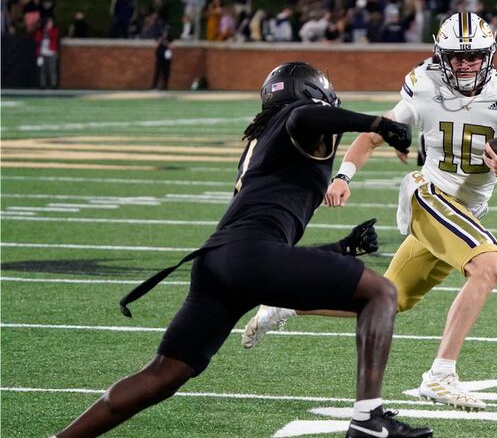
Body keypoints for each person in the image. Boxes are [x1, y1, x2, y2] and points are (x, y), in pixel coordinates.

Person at [50, 62, 433, 438]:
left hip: (221, 260)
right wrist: (377, 124)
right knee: (382, 292)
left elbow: (269, 243)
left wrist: (340, 248)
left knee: (163, 373)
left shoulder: (265, 138)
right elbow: (303, 117)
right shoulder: (299, 118)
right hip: (250, 256)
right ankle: (368, 419)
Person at [242, 12, 497, 411]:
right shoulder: (425, 85)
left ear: (489, 56)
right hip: (427, 194)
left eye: (473, 56)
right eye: (457, 56)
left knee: (388, 297)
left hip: (464, 211)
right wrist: (343, 176)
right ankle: (441, 375)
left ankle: (285, 302)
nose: (465, 65)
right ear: (441, 55)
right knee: (489, 265)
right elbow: (373, 135)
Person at [35, 17, 59, 89]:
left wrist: (48, 31)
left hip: (52, 53)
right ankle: (43, 85)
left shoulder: (55, 30)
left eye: (51, 23)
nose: (50, 24)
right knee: (43, 70)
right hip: (42, 53)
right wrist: (42, 30)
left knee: (52, 70)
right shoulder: (40, 31)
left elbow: (54, 36)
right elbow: (37, 39)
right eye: (49, 23)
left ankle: (54, 84)